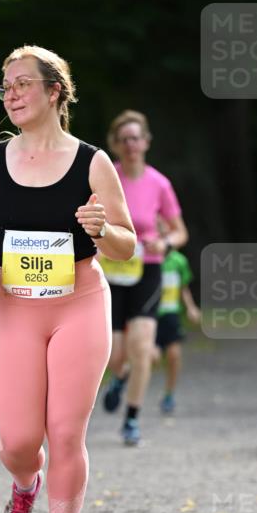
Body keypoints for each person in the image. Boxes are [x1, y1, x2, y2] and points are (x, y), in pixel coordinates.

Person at [0, 45, 135, 513]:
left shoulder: (92, 162)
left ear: (54, 91)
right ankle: (24, 484)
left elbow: (129, 245)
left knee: (64, 432)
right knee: (18, 441)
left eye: (21, 84)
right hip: (16, 307)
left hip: (79, 304)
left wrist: (101, 230)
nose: (10, 94)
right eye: (5, 86)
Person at [100, 110, 188, 445]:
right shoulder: (107, 179)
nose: (131, 145)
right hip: (112, 270)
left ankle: (132, 417)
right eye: (124, 140)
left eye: (136, 138)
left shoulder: (159, 183)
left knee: (142, 347)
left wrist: (163, 242)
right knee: (115, 355)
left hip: (148, 269)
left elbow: (181, 232)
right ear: (116, 145)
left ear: (146, 142)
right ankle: (119, 379)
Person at [153, 247, 201, 414]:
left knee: (174, 355)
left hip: (171, 314)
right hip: (151, 317)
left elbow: (184, 288)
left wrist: (191, 308)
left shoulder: (179, 261)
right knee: (154, 358)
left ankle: (169, 394)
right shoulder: (148, 258)